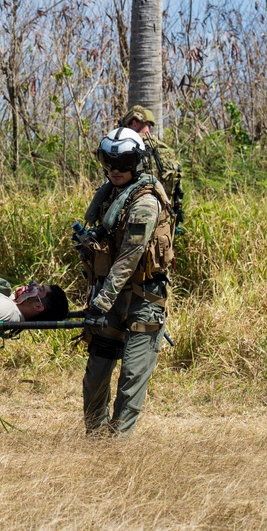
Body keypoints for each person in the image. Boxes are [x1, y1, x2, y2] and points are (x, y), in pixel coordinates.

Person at [78, 127, 175, 437]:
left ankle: (118, 446)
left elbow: (129, 259)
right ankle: (95, 438)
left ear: (137, 162)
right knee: (96, 374)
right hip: (110, 299)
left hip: (143, 301)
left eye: (123, 162)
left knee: (131, 377)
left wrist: (100, 302)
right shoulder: (111, 195)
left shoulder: (144, 203)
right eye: (109, 162)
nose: (115, 170)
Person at [85, 105, 184, 228]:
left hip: (133, 215)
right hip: (165, 220)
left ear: (134, 123)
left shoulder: (131, 147)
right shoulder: (168, 151)